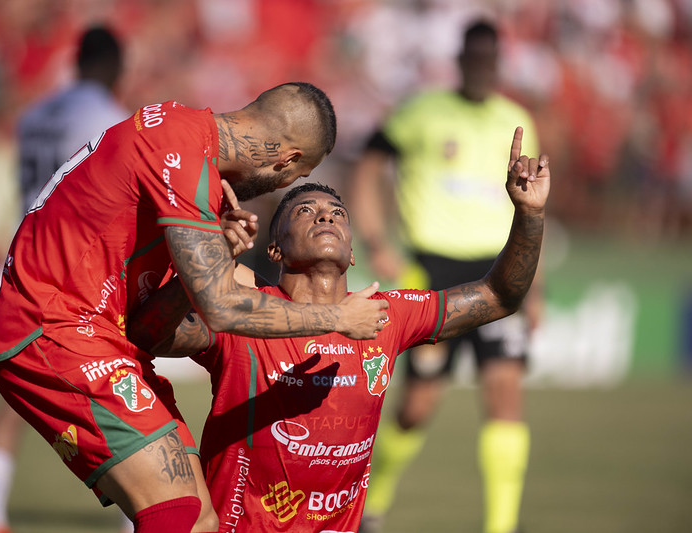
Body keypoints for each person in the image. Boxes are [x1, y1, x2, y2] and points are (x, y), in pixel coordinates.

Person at [0, 80, 389, 533]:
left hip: (98, 335)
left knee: (199, 520)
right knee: (176, 510)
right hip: (54, 325)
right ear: (287, 160)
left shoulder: (186, 141)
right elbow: (222, 309)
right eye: (295, 176)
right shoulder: (183, 154)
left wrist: (218, 251)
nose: (287, 185)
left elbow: (149, 323)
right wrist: (339, 318)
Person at [127, 127, 549, 532]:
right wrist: (205, 265)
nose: (325, 215)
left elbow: (499, 296)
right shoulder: (244, 313)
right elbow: (152, 335)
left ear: (351, 254)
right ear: (275, 249)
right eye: (305, 211)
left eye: (338, 214)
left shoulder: (387, 315)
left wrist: (530, 215)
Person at [351, 20, 543, 533]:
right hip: (433, 270)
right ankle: (375, 502)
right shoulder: (422, 112)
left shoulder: (516, 118)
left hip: (500, 268)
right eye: (473, 58)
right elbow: (367, 167)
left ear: (499, 64)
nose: (481, 67)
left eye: (490, 59)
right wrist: (375, 241)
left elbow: (531, 207)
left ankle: (501, 527)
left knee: (505, 392)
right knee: (418, 404)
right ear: (459, 60)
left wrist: (535, 286)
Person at [0, 26, 130, 533]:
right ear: (115, 67)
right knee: (123, 389)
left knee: (16, 390)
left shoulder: (35, 114)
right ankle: (147, 514)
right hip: (79, 270)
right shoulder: (103, 117)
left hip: (27, 261)